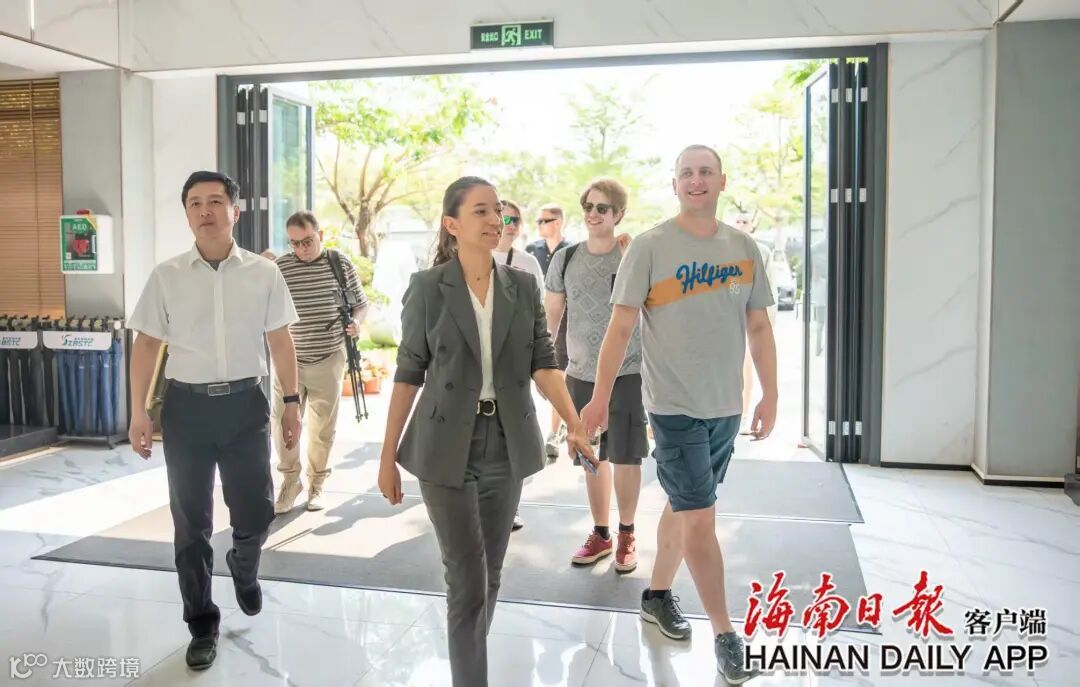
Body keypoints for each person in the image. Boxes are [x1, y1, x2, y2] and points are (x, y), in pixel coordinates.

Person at [378, 176, 596, 687]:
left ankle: (468, 662)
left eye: (498, 210)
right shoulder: (428, 288)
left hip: (506, 442)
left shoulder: (522, 285)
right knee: (466, 578)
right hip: (443, 445)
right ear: (452, 225)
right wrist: (387, 457)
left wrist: (574, 423)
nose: (495, 219)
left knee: (490, 573)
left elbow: (544, 362)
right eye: (481, 211)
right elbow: (408, 373)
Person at [580, 145, 777, 683]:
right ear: (674, 185)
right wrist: (599, 397)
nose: (696, 180)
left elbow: (759, 325)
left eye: (706, 171)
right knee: (700, 517)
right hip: (673, 408)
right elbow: (621, 327)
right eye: (686, 173)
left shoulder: (744, 247)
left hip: (725, 406)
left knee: (686, 505)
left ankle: (656, 596)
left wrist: (771, 393)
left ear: (722, 181)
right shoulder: (649, 247)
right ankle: (725, 635)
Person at [127, 171, 301, 671]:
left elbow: (280, 341)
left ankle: (243, 564)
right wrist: (138, 411)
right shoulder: (167, 275)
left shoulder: (263, 273)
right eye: (195, 203)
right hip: (187, 410)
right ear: (187, 213)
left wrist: (291, 403)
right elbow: (146, 344)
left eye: (215, 201)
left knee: (257, 512)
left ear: (235, 211)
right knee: (191, 524)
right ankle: (202, 623)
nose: (205, 210)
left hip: (246, 406)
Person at [545, 178, 645, 574]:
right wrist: (544, 367)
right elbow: (551, 317)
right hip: (581, 373)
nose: (593, 213)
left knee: (627, 457)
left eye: (602, 208)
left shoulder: (633, 256)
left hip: (629, 371)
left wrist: (632, 255)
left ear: (619, 213)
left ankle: (627, 534)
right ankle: (601, 533)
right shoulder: (565, 258)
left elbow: (654, 309)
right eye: (588, 206)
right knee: (591, 457)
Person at [272, 210, 369, 513]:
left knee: (322, 427)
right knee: (282, 423)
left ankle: (317, 483)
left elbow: (361, 304)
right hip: (290, 360)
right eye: (294, 243)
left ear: (320, 235)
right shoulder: (281, 268)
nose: (301, 249)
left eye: (307, 241)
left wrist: (357, 323)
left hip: (329, 356)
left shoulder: (339, 263)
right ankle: (290, 482)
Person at [494, 199, 545, 532]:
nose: (511, 225)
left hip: (514, 361)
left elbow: (538, 314)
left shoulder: (527, 263)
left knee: (514, 432)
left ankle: (509, 506)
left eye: (516, 220)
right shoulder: (467, 258)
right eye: (505, 218)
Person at [525, 204, 571, 457]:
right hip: (535, 320)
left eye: (545, 220)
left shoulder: (572, 251)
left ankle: (554, 432)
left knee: (557, 374)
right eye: (538, 221)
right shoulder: (532, 251)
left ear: (558, 222)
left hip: (564, 322)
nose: (540, 225)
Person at [731, 212, 777, 429]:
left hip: (751, 319)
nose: (741, 225)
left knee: (747, 367)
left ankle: (743, 413)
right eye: (737, 221)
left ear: (752, 226)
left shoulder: (761, 251)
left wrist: (768, 323)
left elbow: (769, 289)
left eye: (745, 221)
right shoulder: (719, 249)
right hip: (727, 321)